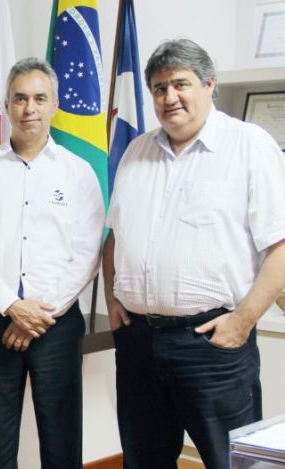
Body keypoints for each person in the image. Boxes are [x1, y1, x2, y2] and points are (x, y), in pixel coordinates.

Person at [104, 38, 285, 469]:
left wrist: (242, 322)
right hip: (139, 342)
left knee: (232, 463)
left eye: (180, 84)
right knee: (144, 460)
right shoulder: (135, 151)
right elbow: (115, 237)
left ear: (209, 84)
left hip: (212, 344)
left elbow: (280, 245)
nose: (170, 97)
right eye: (159, 88)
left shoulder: (249, 145)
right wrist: (112, 300)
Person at [0, 57, 104, 469]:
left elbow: (87, 253)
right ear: (6, 105)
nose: (29, 108)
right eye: (19, 98)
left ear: (54, 105)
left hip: (57, 325)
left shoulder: (79, 172)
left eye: (39, 98)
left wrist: (38, 314)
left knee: (62, 443)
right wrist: (12, 306)